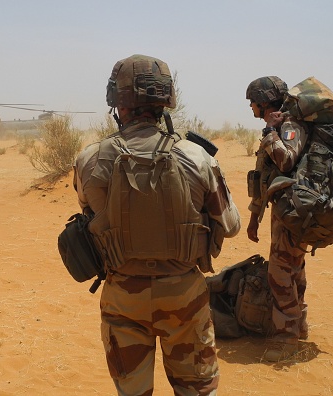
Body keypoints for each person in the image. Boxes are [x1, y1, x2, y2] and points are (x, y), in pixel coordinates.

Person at [73, 54, 241, 395]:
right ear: (165, 102)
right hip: (184, 297)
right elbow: (232, 224)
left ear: (117, 103)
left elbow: (88, 215)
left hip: (123, 299)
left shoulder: (89, 160)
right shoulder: (197, 157)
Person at [245, 76, 311, 362]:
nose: (251, 107)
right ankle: (300, 326)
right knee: (292, 268)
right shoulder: (275, 127)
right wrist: (254, 216)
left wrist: (272, 131)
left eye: (253, 102)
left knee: (281, 273)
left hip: (294, 212)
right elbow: (264, 176)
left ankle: (286, 340)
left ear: (265, 101)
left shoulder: (290, 126)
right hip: (283, 211)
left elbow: (285, 161)